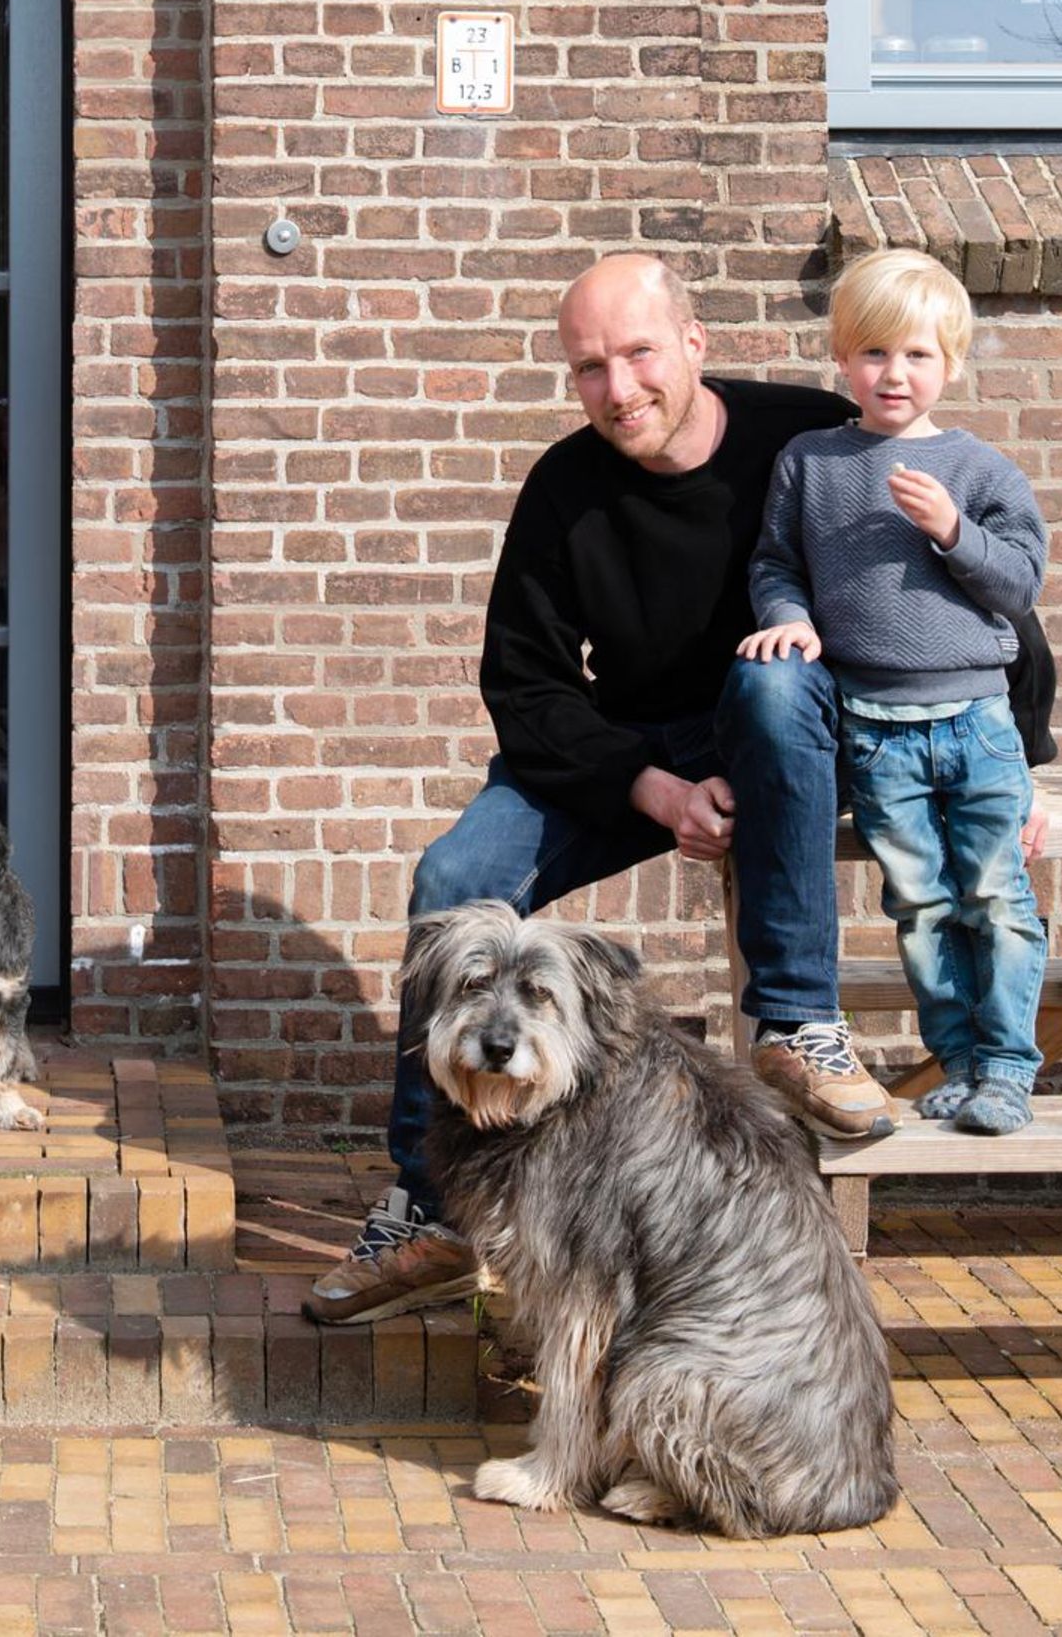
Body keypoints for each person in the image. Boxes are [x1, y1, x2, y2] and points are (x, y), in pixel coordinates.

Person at [306, 250, 903, 1330]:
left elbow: (938, 583)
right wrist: (653, 789)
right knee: (455, 875)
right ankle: (433, 1207)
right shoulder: (565, 487)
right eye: (589, 366)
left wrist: (1010, 752)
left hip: (779, 722)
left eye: (637, 353)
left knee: (772, 685)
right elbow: (523, 682)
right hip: (629, 747)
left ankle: (798, 1024)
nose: (618, 388)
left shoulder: (809, 437)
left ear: (693, 342)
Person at [741, 249, 1052, 1136]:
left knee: (996, 897)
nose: (894, 372)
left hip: (977, 723)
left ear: (950, 362)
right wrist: (790, 617)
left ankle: (1007, 1066)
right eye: (874, 352)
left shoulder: (980, 470)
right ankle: (957, 1061)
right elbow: (776, 562)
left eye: (916, 354)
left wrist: (953, 530)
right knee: (919, 905)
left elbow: (1020, 583)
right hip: (876, 732)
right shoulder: (811, 461)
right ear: (843, 357)